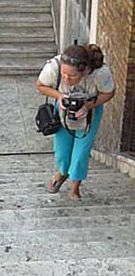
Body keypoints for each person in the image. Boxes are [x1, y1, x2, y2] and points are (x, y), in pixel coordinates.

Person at [36, 44, 115, 200]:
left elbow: (109, 92)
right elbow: (40, 86)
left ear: (85, 70)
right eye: (64, 74)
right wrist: (59, 96)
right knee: (62, 149)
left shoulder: (100, 73)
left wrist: (88, 106)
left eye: (72, 76)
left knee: (81, 152)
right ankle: (61, 173)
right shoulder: (54, 67)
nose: (66, 79)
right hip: (64, 110)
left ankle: (75, 188)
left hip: (90, 112)